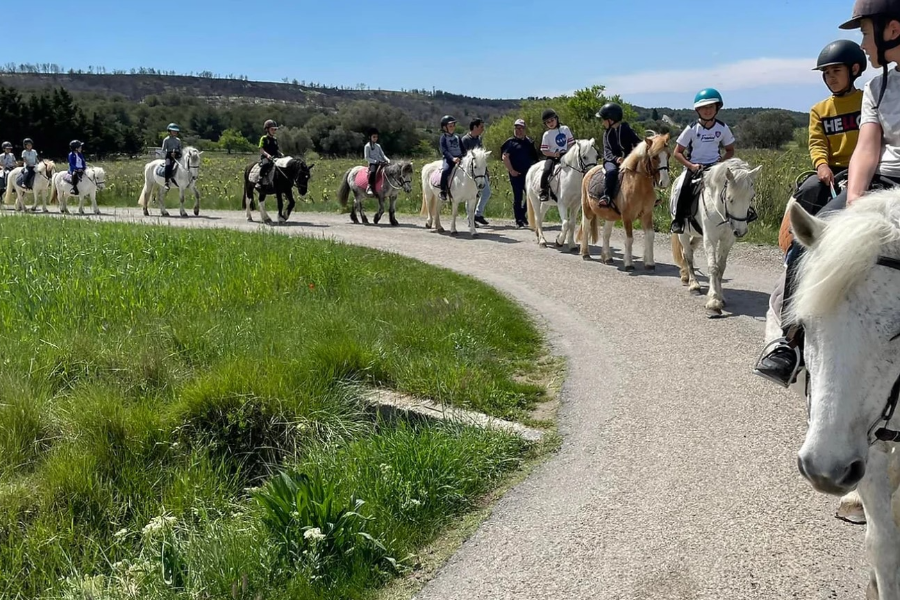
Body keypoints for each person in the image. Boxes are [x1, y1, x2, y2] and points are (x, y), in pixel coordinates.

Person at [754, 0, 900, 387]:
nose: (865, 45)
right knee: (808, 242)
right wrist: (854, 203)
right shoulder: (879, 86)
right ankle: (787, 341)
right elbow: (867, 149)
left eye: (866, 34)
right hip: (875, 182)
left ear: (893, 30)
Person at [791, 40, 868, 216]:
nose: (830, 77)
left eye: (836, 71)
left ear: (854, 70)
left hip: (866, 167)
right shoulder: (819, 110)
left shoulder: (868, 100)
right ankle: (797, 240)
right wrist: (821, 165)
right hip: (834, 169)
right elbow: (817, 143)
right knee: (807, 189)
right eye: (826, 73)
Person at [670, 89, 736, 234]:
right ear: (697, 110)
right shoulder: (691, 129)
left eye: (711, 107)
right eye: (704, 108)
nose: (707, 111)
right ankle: (678, 220)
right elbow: (677, 152)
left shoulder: (723, 128)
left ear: (717, 108)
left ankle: (738, 219)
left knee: (735, 187)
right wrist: (691, 166)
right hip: (694, 167)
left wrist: (721, 162)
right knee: (682, 188)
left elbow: (730, 150)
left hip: (714, 168)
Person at [596, 102, 641, 209]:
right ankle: (607, 196)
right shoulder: (606, 134)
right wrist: (616, 159)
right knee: (611, 172)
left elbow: (637, 142)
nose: (602, 123)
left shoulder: (626, 129)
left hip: (627, 161)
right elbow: (607, 152)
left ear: (611, 119)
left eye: (603, 119)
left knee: (644, 169)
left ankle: (649, 196)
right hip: (611, 161)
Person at [502, 119, 539, 228]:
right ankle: (518, 220)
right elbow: (505, 157)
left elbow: (534, 158)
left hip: (528, 175)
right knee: (518, 197)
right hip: (515, 174)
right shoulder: (510, 142)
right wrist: (511, 170)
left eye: (520, 128)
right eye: (516, 128)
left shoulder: (529, 142)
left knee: (531, 196)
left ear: (524, 129)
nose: (518, 130)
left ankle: (522, 215)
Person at [539, 109, 575, 202]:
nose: (550, 123)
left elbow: (571, 143)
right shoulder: (546, 134)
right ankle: (544, 191)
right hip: (553, 157)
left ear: (556, 119)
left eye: (552, 120)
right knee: (546, 170)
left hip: (567, 155)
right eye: (548, 122)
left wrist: (568, 152)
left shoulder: (565, 129)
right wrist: (554, 154)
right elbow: (544, 150)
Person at [462, 118, 491, 225]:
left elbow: (481, 158)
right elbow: (464, 158)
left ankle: (478, 214)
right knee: (470, 195)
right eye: (481, 127)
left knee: (486, 192)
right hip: (471, 173)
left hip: (480, 173)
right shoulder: (465, 140)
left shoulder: (478, 139)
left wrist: (486, 171)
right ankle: (470, 219)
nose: (483, 129)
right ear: (475, 127)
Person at [439, 115, 466, 202]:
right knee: (445, 171)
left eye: (453, 125)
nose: (453, 127)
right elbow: (444, 151)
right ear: (444, 127)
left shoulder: (458, 137)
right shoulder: (443, 138)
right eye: (450, 126)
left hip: (459, 159)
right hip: (449, 160)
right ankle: (443, 191)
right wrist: (452, 158)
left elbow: (463, 150)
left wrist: (463, 157)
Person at [257, 119, 282, 191]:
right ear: (267, 130)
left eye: (275, 129)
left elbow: (276, 150)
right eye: (272, 129)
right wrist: (267, 155)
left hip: (275, 157)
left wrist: (281, 154)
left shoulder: (275, 139)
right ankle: (260, 180)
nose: (274, 131)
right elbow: (261, 149)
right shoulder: (264, 138)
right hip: (266, 157)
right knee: (266, 164)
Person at [364, 128, 389, 197]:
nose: (375, 138)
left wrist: (387, 160)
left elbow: (382, 155)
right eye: (374, 137)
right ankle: (369, 186)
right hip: (373, 163)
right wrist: (375, 161)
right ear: (370, 137)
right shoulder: (367, 146)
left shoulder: (378, 146)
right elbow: (367, 157)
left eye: (376, 137)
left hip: (381, 162)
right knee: (373, 172)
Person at [161, 123, 183, 191]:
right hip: (169, 155)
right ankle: (166, 182)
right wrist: (169, 154)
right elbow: (163, 150)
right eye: (173, 131)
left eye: (176, 131)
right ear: (169, 131)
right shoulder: (166, 140)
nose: (175, 132)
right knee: (168, 166)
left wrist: (180, 154)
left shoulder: (178, 140)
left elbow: (180, 149)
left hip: (177, 155)